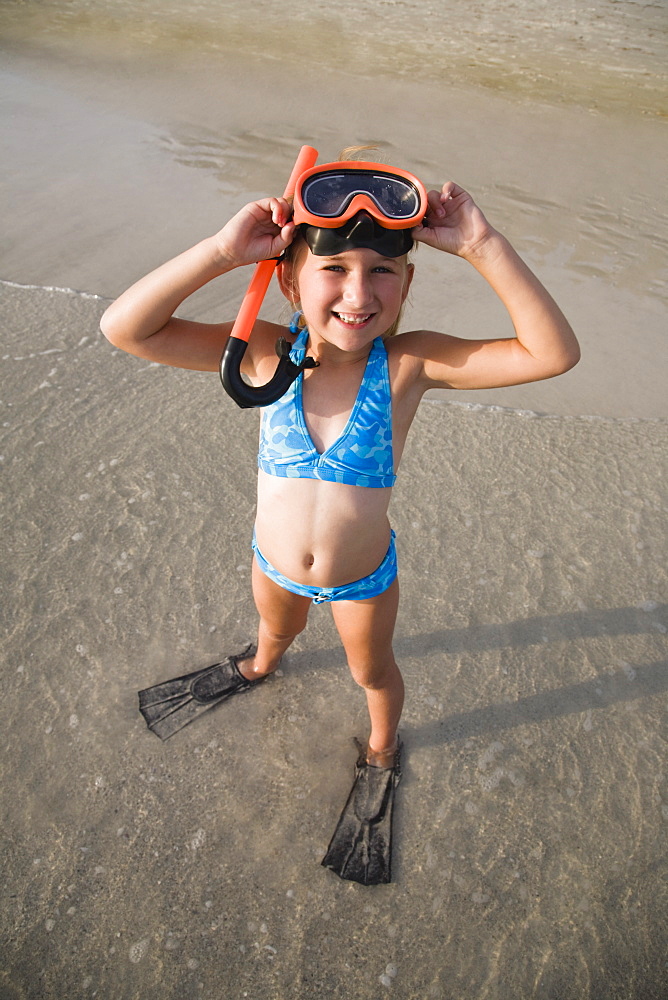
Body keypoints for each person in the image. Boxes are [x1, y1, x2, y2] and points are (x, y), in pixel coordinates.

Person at [100, 152, 580, 884]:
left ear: (408, 283)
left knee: (373, 671)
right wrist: (224, 253)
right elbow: (125, 327)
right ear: (288, 277)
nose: (360, 292)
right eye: (335, 269)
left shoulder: (408, 367)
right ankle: (260, 666)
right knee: (274, 632)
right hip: (271, 564)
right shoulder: (262, 352)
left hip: (363, 580)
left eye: (383, 271)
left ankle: (382, 751)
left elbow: (552, 354)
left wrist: (482, 243)